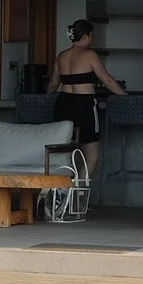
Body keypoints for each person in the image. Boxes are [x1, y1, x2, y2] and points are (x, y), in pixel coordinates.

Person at [52, 19, 124, 182]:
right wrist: (126, 97)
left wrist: (41, 96)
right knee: (91, 156)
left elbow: (53, 84)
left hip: (63, 104)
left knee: (64, 155)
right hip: (84, 106)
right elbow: (108, 81)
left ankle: (62, 195)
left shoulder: (61, 56)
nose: (92, 39)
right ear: (85, 36)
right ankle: (76, 195)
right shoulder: (90, 55)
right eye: (92, 35)